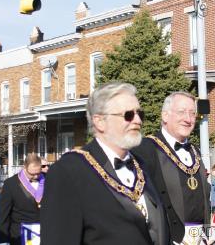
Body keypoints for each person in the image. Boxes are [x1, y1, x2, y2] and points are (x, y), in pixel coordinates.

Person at [40, 82, 169, 245]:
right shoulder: (69, 171)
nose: (137, 120)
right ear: (100, 121)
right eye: (128, 115)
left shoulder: (142, 165)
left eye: (139, 114)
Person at [132, 91, 210, 244]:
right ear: (165, 116)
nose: (188, 119)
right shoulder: (145, 148)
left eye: (192, 113)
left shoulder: (195, 151)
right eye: (181, 112)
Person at [0, 153, 45, 245]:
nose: (36, 177)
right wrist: (3, 240)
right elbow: (3, 214)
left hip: (44, 235)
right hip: (20, 236)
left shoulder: (48, 180)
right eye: (32, 174)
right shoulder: (10, 184)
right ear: (24, 167)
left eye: (38, 173)